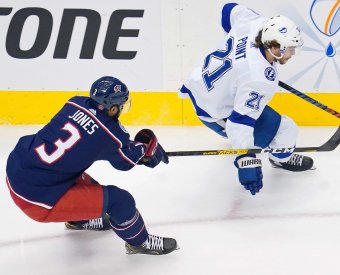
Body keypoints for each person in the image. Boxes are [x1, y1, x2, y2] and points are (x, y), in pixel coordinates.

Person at [5, 76, 178, 255]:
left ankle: (77, 220)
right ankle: (140, 242)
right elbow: (124, 162)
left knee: (89, 187)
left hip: (18, 167)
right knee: (120, 201)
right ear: (112, 108)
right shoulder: (110, 134)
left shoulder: (74, 102)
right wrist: (147, 151)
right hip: (37, 200)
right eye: (120, 105)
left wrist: (142, 149)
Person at [179, 3, 313, 196]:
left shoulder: (255, 24)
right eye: (289, 49)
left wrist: (237, 58)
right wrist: (246, 159)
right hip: (216, 111)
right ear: (274, 48)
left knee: (254, 107)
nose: (292, 54)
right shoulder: (259, 78)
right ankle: (280, 158)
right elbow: (239, 122)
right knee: (287, 129)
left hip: (200, 86)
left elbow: (228, 9)